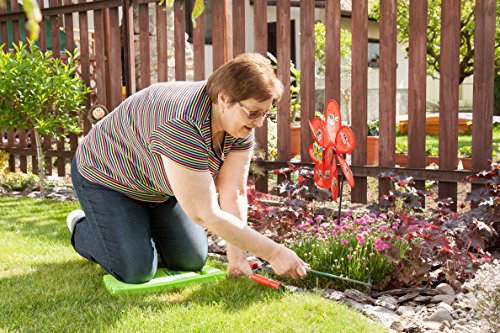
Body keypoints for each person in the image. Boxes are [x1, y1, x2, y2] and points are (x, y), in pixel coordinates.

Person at [67, 53, 309, 284]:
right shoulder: (183, 122)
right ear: (223, 99)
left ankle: (132, 228)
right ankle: (82, 226)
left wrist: (237, 259)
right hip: (107, 179)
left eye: (265, 113)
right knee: (136, 270)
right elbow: (203, 213)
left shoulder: (238, 125)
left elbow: (233, 192)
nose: (259, 122)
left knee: (190, 260)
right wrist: (275, 253)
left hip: (157, 187)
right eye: (254, 113)